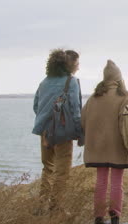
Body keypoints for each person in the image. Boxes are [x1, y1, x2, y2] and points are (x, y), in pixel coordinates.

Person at [81, 60, 128, 224]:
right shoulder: (125, 97)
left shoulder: (93, 98)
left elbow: (83, 121)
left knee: (101, 181)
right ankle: (115, 217)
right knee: (117, 182)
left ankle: (98, 217)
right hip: (117, 146)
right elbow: (126, 125)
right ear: (118, 78)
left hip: (97, 146)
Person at [32, 49, 83, 211]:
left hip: (45, 132)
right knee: (62, 172)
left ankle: (41, 206)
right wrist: (79, 132)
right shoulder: (71, 81)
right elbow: (75, 110)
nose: (78, 67)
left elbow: (36, 106)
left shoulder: (44, 82)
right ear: (69, 65)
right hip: (62, 133)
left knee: (48, 168)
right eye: (77, 63)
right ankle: (56, 208)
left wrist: (46, 121)